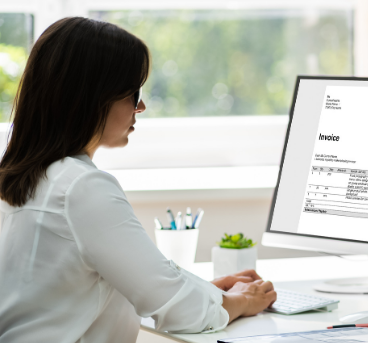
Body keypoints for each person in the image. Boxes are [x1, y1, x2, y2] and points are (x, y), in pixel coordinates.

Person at [0, 17, 276, 342]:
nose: (141, 107)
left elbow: (137, 282)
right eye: (133, 93)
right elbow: (179, 311)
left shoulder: (27, 178)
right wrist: (243, 302)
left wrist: (209, 292)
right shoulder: (80, 187)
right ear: (93, 97)